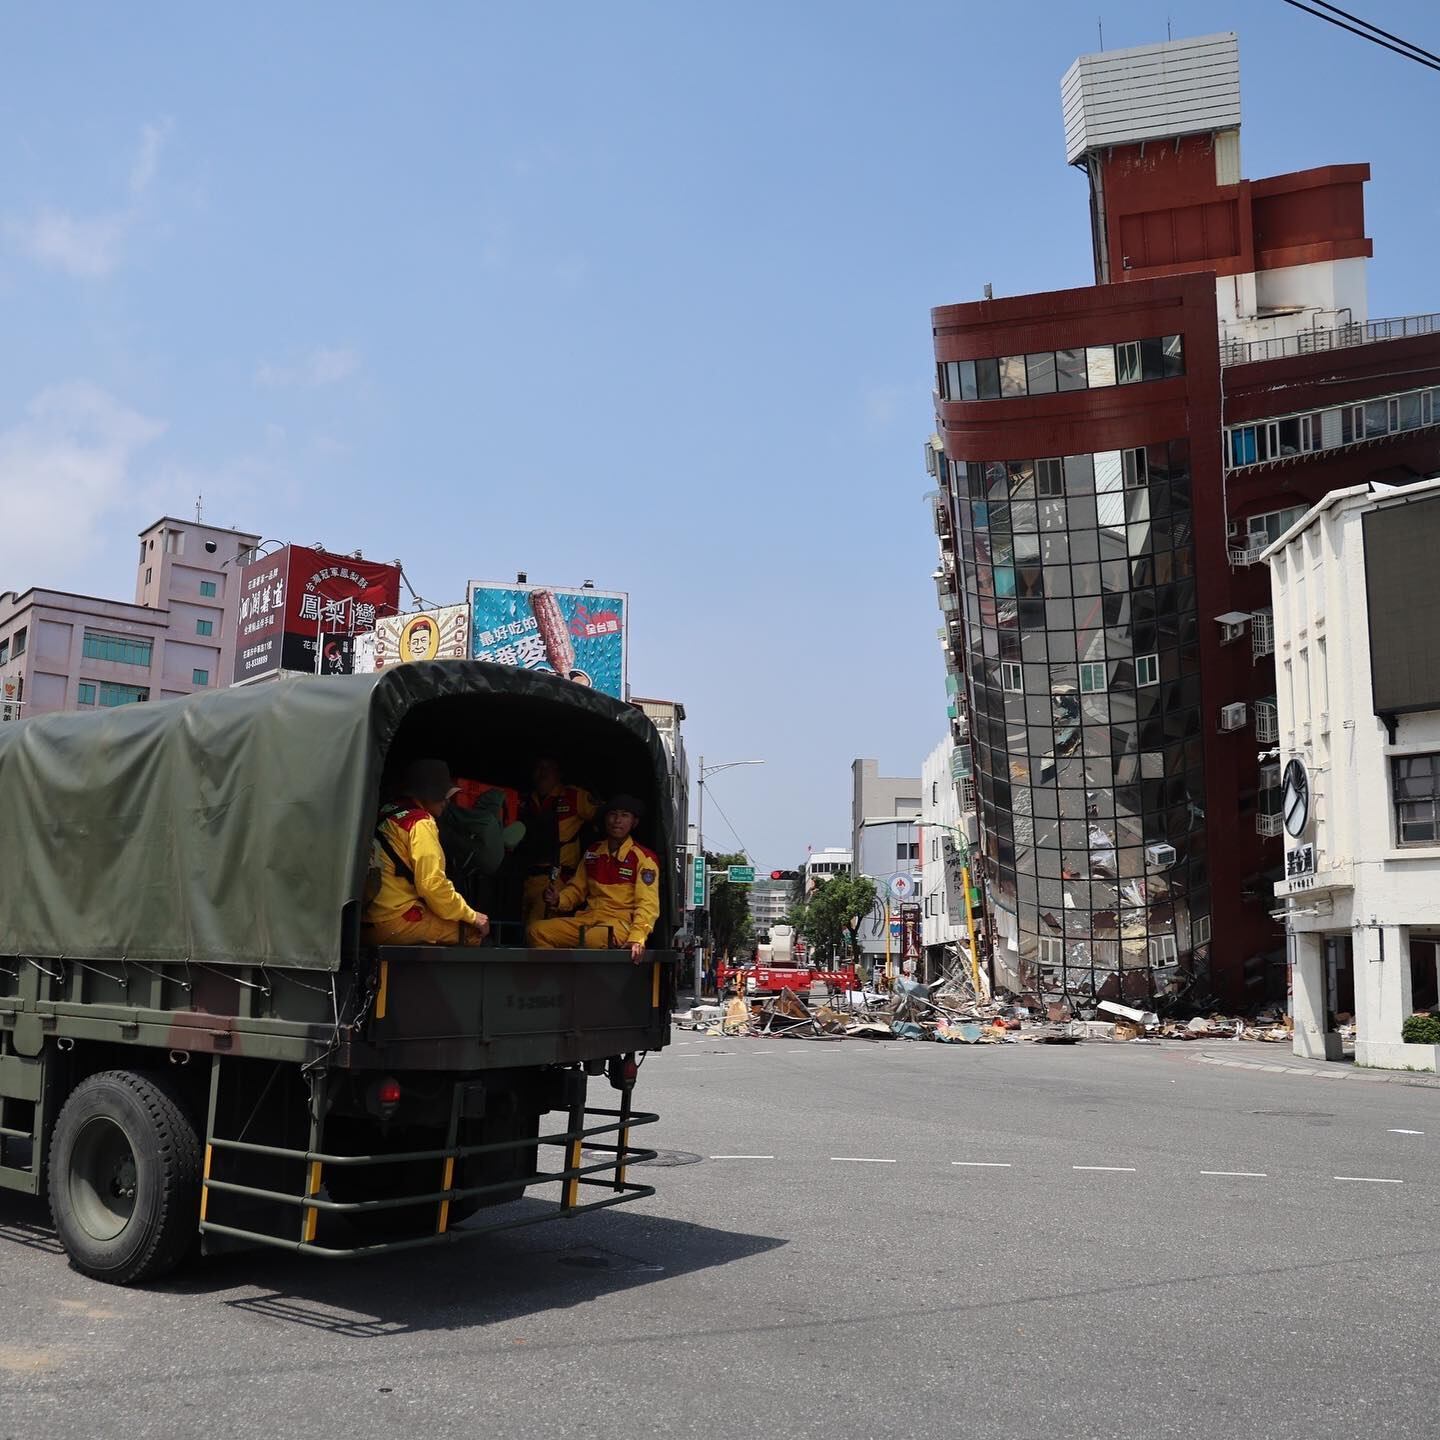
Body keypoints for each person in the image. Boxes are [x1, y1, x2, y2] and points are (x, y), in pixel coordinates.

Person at [363, 758, 490, 945]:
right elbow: (432, 885)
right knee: (473, 933)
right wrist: (472, 916)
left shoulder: (387, 812)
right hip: (395, 921)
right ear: (426, 793)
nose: (447, 801)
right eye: (442, 794)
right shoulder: (421, 822)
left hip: (366, 922)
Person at [525, 794, 659, 960]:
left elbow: (648, 905)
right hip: (587, 920)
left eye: (624, 815)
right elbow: (576, 889)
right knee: (536, 931)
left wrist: (637, 937)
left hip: (619, 924)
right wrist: (559, 899)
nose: (617, 820)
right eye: (613, 814)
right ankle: (556, 979)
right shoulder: (593, 852)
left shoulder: (644, 858)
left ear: (634, 822)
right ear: (605, 819)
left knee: (592, 939)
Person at [519, 757, 600, 925]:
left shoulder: (574, 796)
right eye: (539, 767)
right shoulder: (524, 800)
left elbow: (606, 818)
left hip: (555, 880)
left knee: (537, 932)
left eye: (548, 767)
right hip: (526, 880)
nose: (543, 772)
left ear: (558, 773)